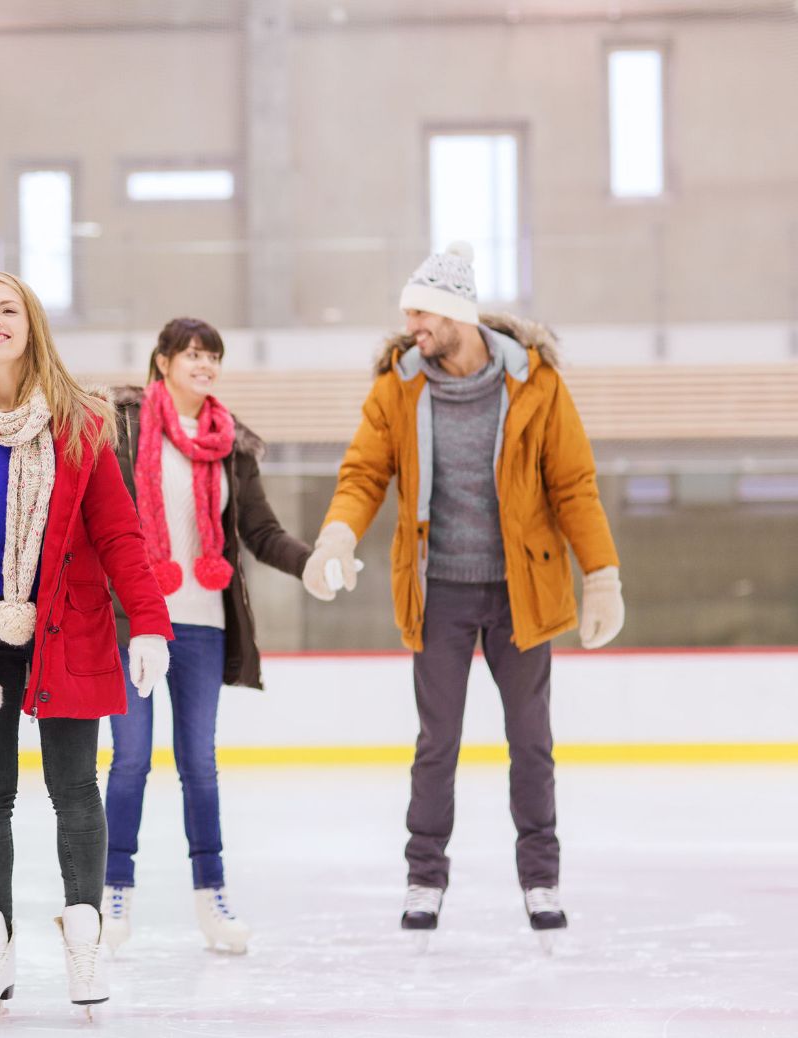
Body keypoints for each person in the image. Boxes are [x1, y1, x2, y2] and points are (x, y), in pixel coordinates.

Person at [301, 241, 624, 942]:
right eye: (409, 315)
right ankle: (425, 877)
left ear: (456, 314)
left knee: (531, 740)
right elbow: (363, 475)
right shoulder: (399, 386)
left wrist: (601, 574)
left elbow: (574, 485)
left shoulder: (536, 384)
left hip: (521, 592)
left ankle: (541, 880)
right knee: (436, 742)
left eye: (422, 313)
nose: (412, 327)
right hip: (439, 590)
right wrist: (336, 537)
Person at [0, 272, 173, 1016]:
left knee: (75, 789)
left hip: (64, 628)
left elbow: (118, 531)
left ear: (31, 325)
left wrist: (147, 620)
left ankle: (84, 949)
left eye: (6, 309)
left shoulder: (80, 423)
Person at [100, 317, 312, 955]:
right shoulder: (123, 426)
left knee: (200, 765)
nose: (204, 364)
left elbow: (262, 531)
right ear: (162, 361)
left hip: (203, 623)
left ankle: (212, 899)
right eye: (191, 354)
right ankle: (114, 896)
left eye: (212, 355)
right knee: (131, 759)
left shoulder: (231, 444)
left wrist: (314, 563)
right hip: (135, 621)